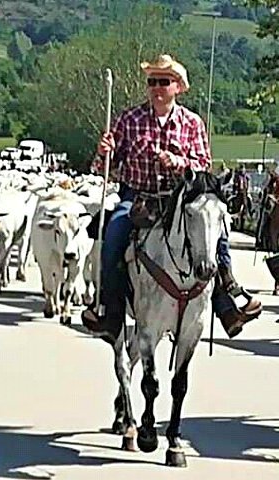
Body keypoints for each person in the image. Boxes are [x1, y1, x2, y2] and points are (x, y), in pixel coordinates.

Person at [82, 54, 262, 342]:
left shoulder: (192, 123)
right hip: (139, 196)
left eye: (163, 82)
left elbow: (203, 164)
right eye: (152, 82)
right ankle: (110, 311)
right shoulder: (129, 119)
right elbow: (103, 169)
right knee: (114, 234)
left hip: (181, 198)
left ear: (177, 86)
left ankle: (228, 298)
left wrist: (178, 162)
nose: (156, 87)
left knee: (216, 234)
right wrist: (105, 153)